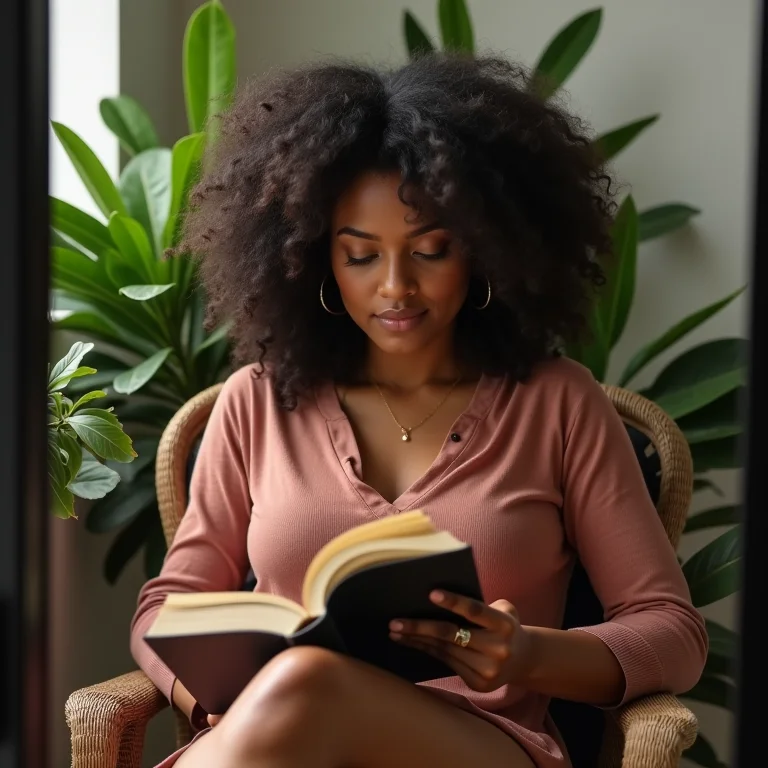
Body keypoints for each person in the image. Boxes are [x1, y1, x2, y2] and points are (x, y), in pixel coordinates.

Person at [130, 53, 708, 768]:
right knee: (298, 686)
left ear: (485, 250)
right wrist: (205, 699)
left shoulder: (560, 404)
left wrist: (526, 656)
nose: (397, 287)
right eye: (361, 256)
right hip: (272, 744)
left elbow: (673, 634)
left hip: (474, 746)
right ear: (314, 260)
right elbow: (166, 607)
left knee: (307, 680)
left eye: (431, 250)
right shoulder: (256, 402)